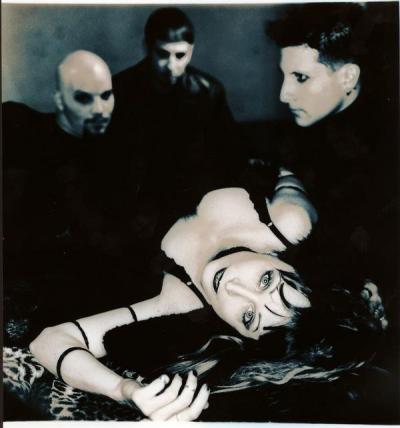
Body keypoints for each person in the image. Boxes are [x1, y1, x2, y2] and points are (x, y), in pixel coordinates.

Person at [29, 166, 389, 421]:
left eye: (248, 316)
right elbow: (285, 169)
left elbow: (49, 341)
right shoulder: (289, 222)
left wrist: (125, 390)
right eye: (266, 281)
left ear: (239, 333)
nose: (233, 287)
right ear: (290, 265)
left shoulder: (175, 300)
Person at [3, 50, 136, 337]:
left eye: (106, 96)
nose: (100, 109)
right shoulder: (23, 135)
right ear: (60, 100)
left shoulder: (121, 152)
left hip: (87, 299)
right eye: (83, 98)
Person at [266, 3, 398, 282]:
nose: (284, 94)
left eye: (300, 78)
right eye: (284, 76)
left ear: (348, 77)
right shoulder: (309, 128)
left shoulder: (385, 151)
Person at [111, 7, 241, 203]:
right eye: (162, 54)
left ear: (191, 51)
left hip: (192, 199)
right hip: (136, 201)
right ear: (147, 47)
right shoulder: (119, 89)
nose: (171, 66)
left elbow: (228, 156)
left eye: (180, 55)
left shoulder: (209, 92)